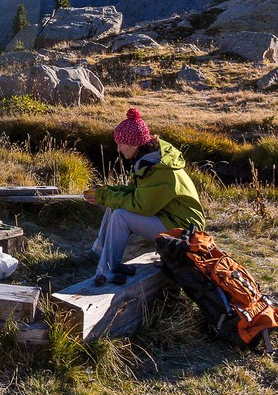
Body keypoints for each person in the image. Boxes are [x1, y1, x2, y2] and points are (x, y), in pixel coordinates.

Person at [83, 107, 206, 285]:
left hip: (185, 230)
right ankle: (100, 255)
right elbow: (137, 192)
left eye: (120, 144)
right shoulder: (150, 161)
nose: (118, 149)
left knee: (120, 216)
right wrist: (109, 191)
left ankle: (105, 273)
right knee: (116, 206)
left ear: (134, 144)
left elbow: (141, 206)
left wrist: (105, 196)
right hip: (169, 217)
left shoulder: (159, 170)